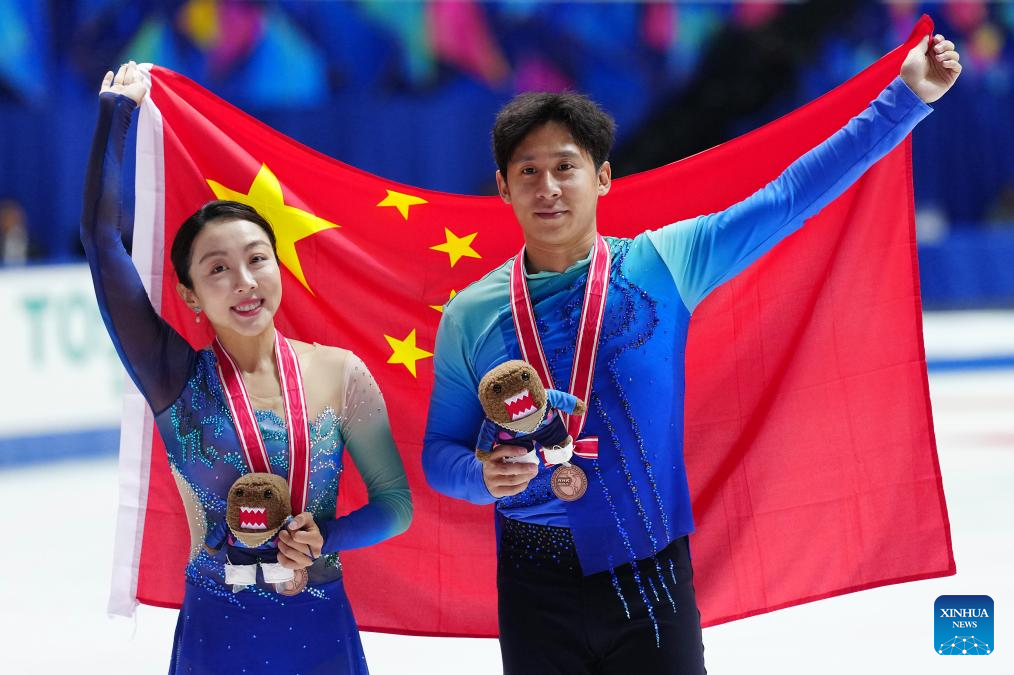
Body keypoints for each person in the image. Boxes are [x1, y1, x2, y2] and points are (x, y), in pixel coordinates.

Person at [422, 34, 961, 674]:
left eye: (566, 167)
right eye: (528, 172)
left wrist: (907, 99)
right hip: (533, 581)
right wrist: (479, 476)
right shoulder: (472, 314)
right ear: (503, 188)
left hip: (649, 572)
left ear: (602, 178)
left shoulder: (665, 263)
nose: (549, 188)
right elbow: (439, 455)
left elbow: (790, 197)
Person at [82, 61, 413, 674]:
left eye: (257, 259)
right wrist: (116, 113)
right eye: (217, 268)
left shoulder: (341, 374)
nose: (244, 281)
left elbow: (396, 505)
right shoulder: (174, 378)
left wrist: (327, 537)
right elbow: (103, 247)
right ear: (189, 295)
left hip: (321, 635)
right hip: (218, 637)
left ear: (278, 268)